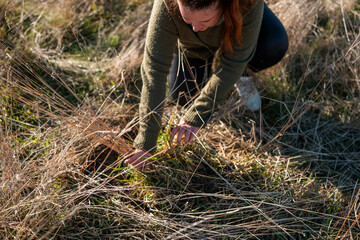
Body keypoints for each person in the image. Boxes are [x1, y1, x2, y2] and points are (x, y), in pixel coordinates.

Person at [125, 0, 288, 171]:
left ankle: (243, 74)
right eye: (187, 19)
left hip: (236, 36)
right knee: (184, 94)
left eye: (204, 21)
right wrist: (146, 143)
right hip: (194, 48)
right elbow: (154, 71)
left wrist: (198, 113)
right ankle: (211, 65)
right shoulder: (167, 4)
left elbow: (233, 63)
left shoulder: (247, 3)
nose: (195, 27)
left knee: (274, 44)